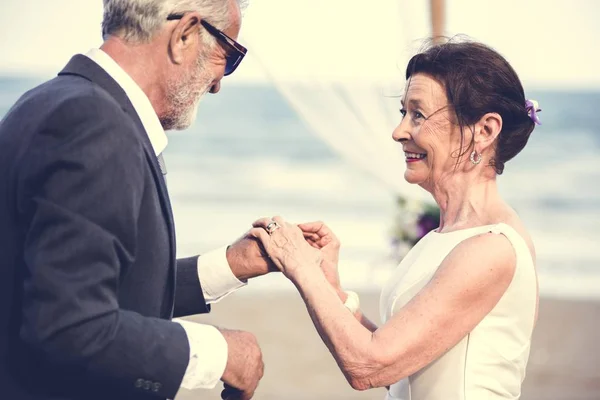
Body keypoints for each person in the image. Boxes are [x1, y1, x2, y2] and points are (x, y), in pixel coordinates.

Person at [0, 0, 271, 399]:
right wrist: (220, 353)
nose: (218, 83)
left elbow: (102, 285)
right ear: (184, 36)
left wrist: (231, 265)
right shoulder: (95, 124)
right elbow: (70, 325)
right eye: (227, 56)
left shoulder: (56, 101)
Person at [250, 40, 541, 400]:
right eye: (403, 112)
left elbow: (370, 366)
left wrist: (297, 263)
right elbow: (402, 367)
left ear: (484, 130)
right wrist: (330, 289)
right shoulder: (445, 235)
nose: (399, 131)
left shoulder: (492, 249)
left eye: (418, 115)